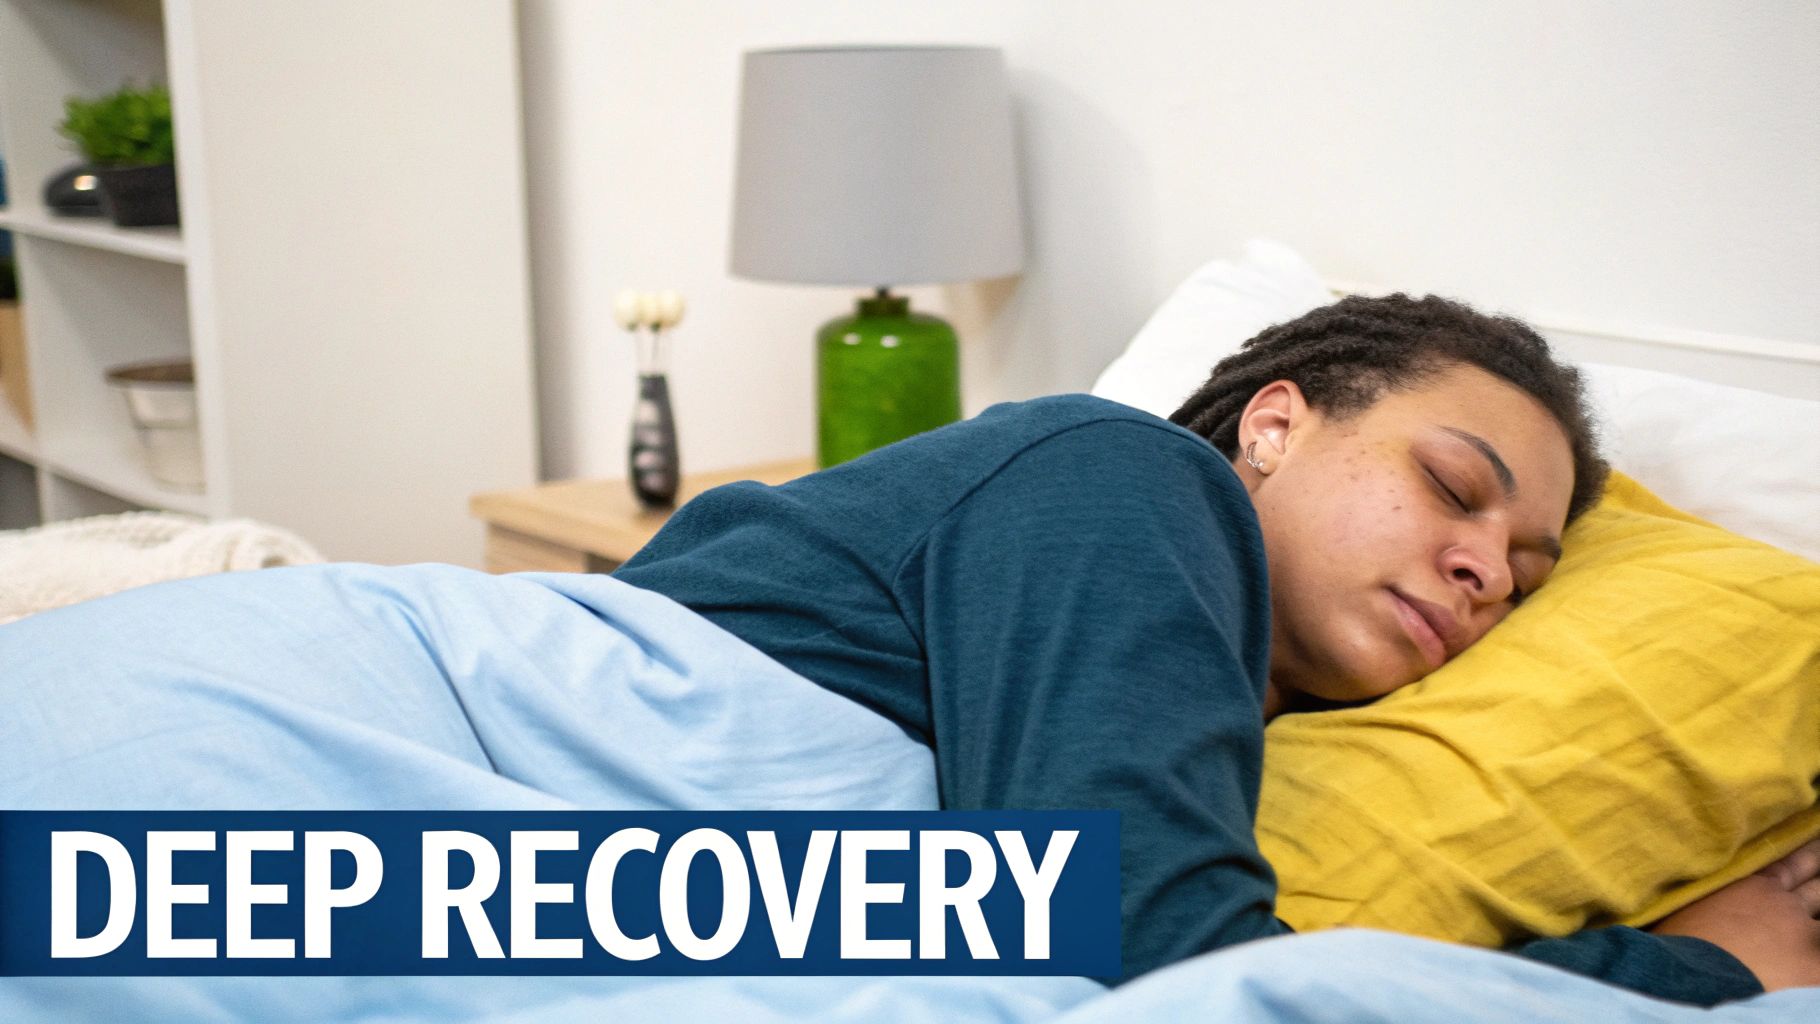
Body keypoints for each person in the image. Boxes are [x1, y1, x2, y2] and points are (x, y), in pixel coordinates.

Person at [613, 293, 1820, 1003]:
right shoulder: (1116, 473)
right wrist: (1691, 966)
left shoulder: (1226, 734)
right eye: (1453, 486)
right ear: (1275, 423)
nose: (1482, 570)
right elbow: (1166, 972)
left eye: (1524, 575)